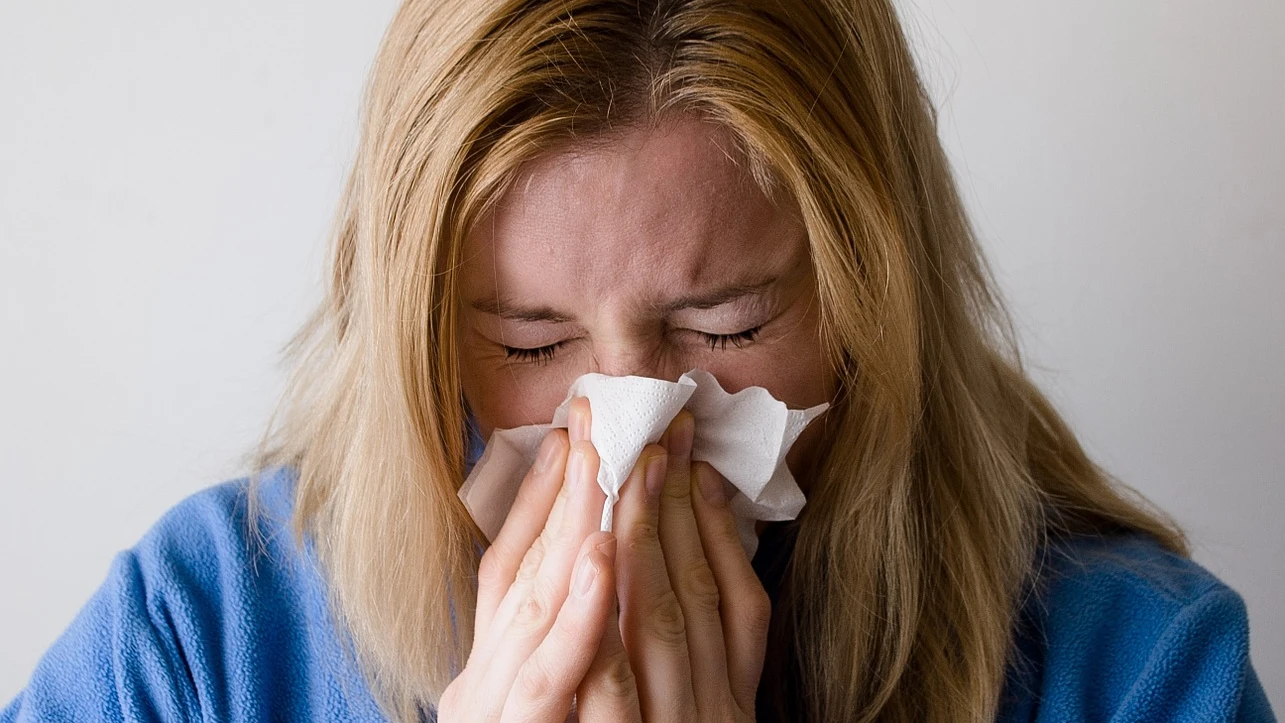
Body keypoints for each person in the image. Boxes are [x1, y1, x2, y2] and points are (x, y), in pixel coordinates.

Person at [2, 0, 1275, 721]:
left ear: (869, 299)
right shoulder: (200, 638)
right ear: (416, 329)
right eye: (527, 342)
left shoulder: (1133, 670)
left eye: (724, 328)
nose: (628, 428)